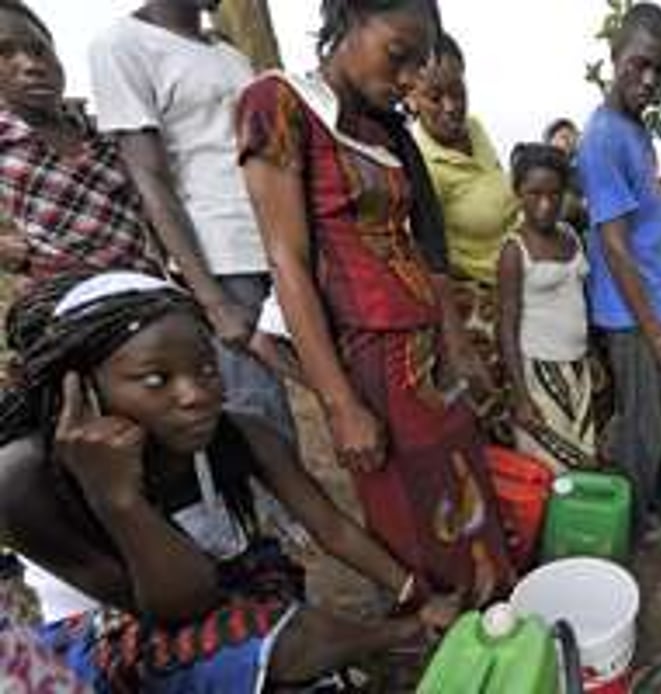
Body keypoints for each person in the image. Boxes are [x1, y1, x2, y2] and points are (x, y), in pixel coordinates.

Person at [0, 272, 457, 691]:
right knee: (275, 640)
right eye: (157, 379)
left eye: (206, 369)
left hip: (210, 594)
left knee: (279, 615)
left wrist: (416, 594)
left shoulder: (240, 433)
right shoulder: (23, 479)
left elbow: (332, 529)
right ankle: (375, 645)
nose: (196, 394)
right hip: (103, 633)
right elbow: (178, 607)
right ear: (80, 389)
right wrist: (118, 499)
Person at [236, 0, 513, 606]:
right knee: (414, 518)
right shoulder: (278, 104)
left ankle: (491, 626)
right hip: (372, 360)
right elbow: (288, 262)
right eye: (400, 55)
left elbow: (423, 239)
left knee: (462, 494)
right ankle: (443, 643)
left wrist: (449, 339)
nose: (412, 80)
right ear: (351, 17)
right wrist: (339, 405)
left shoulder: (377, 125)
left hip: (422, 352)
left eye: (421, 63)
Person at [88, 0, 296, 443]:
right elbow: (149, 177)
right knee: (259, 412)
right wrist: (213, 300)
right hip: (221, 257)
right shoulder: (121, 45)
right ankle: (280, 514)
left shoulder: (227, 52)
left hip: (279, 241)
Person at [578, 2, 661, 538]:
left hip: (652, 303)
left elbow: (648, 238)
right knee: (640, 427)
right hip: (629, 315)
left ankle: (648, 505)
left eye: (659, 69)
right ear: (614, 57)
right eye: (638, 65)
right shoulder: (602, 137)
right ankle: (631, 527)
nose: (649, 79)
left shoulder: (636, 131)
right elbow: (616, 247)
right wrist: (654, 329)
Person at [0, 0, 163, 283]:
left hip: (146, 284)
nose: (31, 65)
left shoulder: (105, 131)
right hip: (62, 299)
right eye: (4, 53)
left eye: (40, 50)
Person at [410, 32, 517, 443]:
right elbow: (427, 255)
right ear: (412, 95)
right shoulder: (420, 161)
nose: (451, 106)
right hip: (474, 298)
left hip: (516, 279)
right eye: (435, 96)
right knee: (495, 407)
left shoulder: (476, 128)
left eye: (458, 91)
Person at [497, 143, 596, 472]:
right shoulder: (514, 250)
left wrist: (589, 355)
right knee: (550, 469)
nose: (545, 203)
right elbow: (506, 326)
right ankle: (548, 525)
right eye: (534, 193)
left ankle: (574, 523)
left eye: (554, 194)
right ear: (518, 193)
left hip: (576, 367)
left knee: (580, 458)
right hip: (539, 372)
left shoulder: (570, 235)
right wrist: (521, 396)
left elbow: (578, 298)